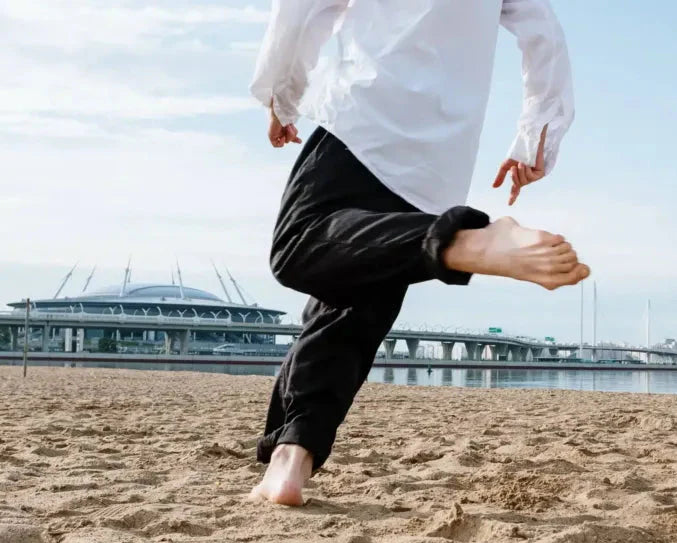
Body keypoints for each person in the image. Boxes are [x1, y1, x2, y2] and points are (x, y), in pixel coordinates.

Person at [248, 0, 589, 505]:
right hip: (441, 158)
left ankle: (457, 242)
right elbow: (543, 33)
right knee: (349, 305)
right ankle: (292, 456)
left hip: (362, 120)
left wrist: (281, 90)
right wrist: (535, 137)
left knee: (299, 242)